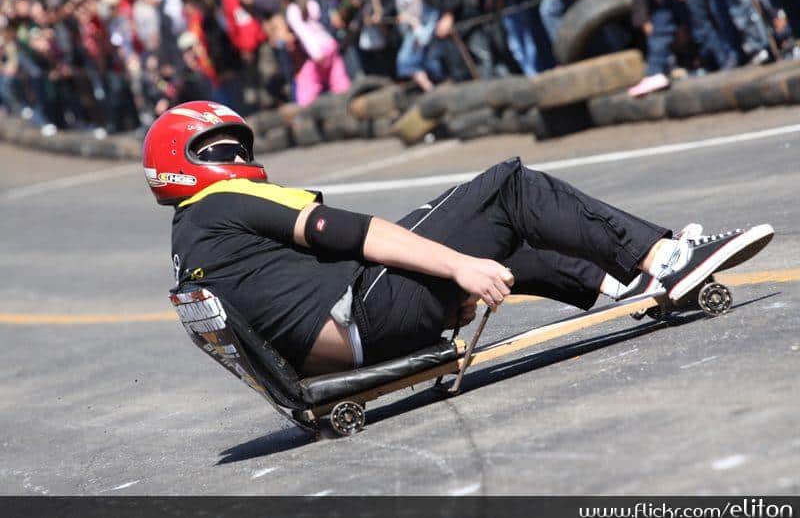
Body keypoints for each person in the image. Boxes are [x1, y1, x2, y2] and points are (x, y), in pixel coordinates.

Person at [144, 101, 774, 377]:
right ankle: (665, 257)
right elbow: (349, 233)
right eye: (220, 147)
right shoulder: (223, 198)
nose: (236, 155)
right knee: (509, 189)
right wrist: (459, 269)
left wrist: (453, 259)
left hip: (346, 343)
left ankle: (617, 279)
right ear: (183, 162)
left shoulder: (192, 240)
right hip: (370, 318)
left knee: (454, 218)